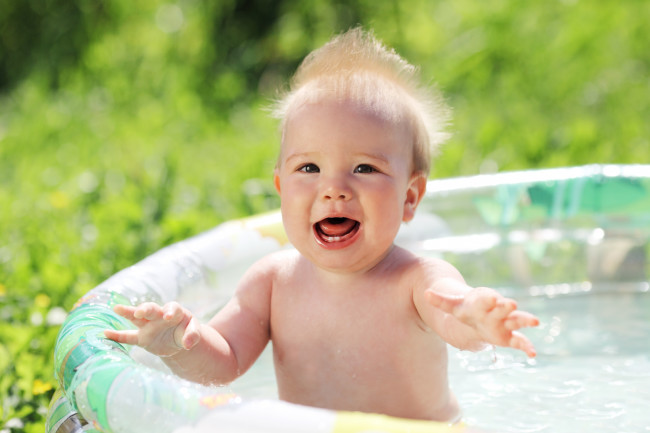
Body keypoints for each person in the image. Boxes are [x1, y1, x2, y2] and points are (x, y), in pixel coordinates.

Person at [104, 28, 539, 423]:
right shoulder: (272, 283)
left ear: (409, 198)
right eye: (309, 167)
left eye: (365, 168)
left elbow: (456, 319)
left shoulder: (417, 280)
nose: (333, 189)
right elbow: (225, 363)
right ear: (280, 187)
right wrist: (182, 342)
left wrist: (477, 318)